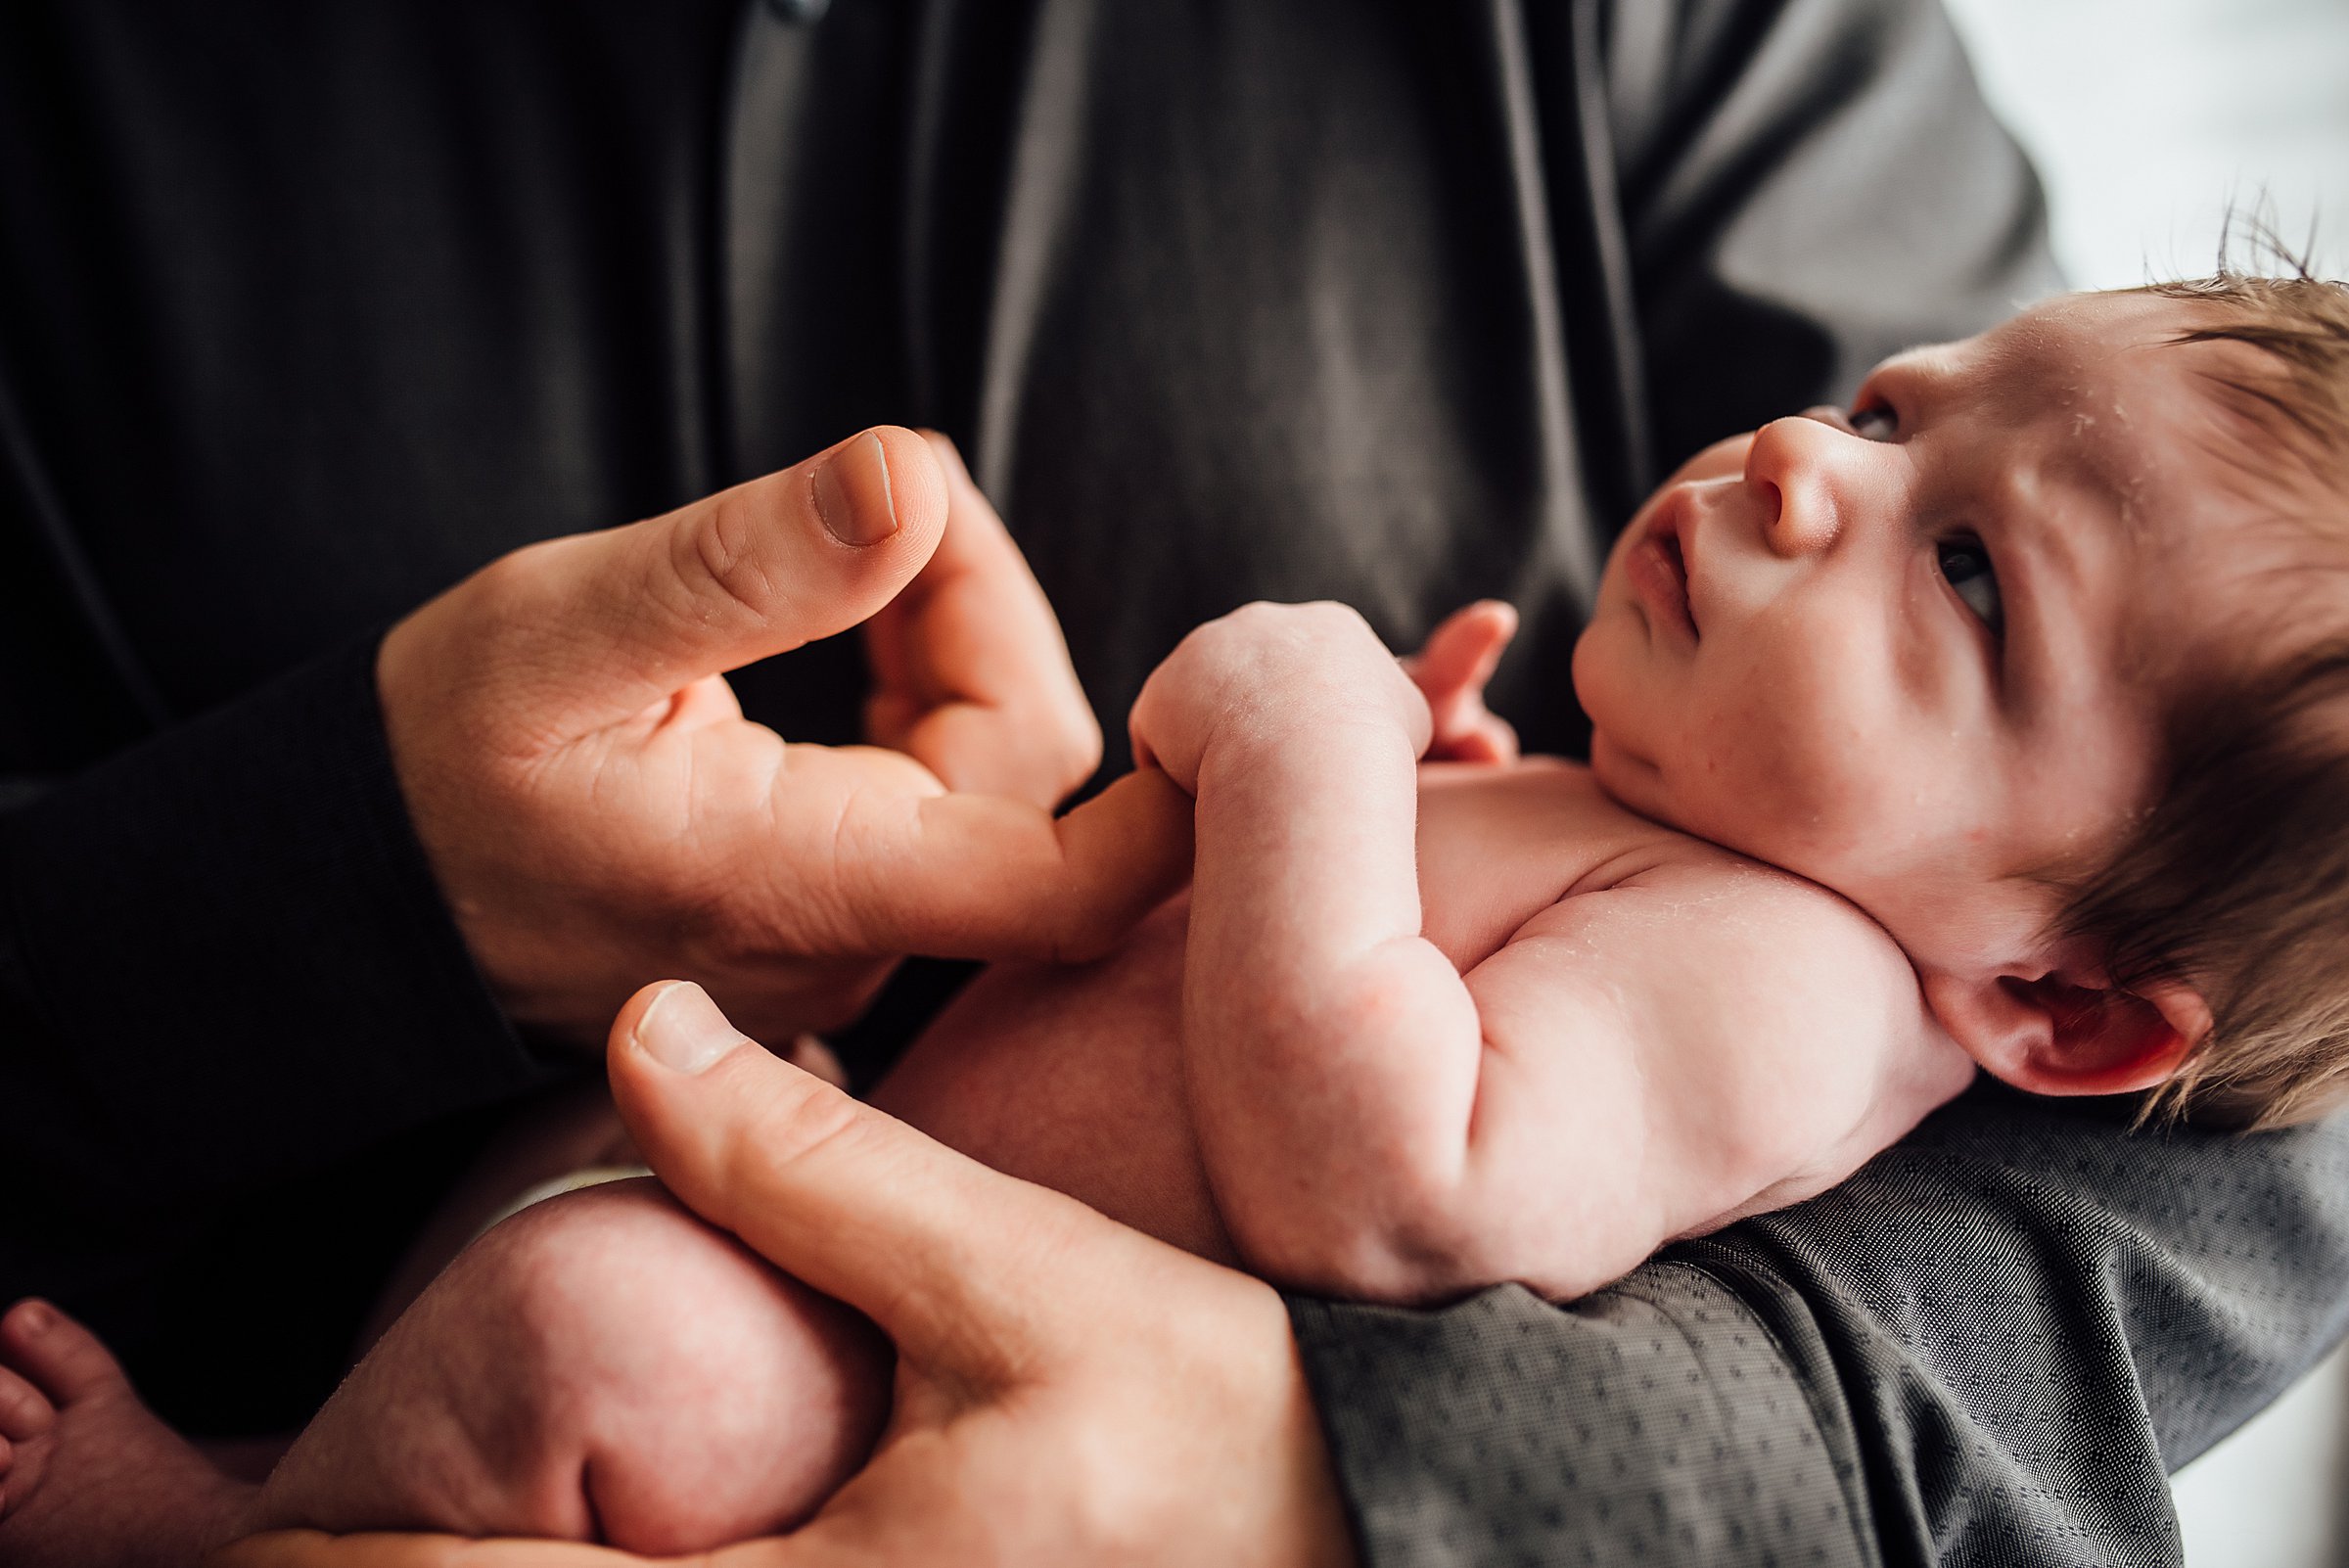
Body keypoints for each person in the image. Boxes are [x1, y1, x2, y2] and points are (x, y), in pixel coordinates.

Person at [5, 2, 2347, 1564]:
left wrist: (1322, 743)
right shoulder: (1721, 842)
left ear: (2065, 1019)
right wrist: (1445, 790)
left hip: (895, 1392)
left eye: (1964, 571)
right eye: (1886, 406)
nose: (1799, 471)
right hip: (819, 1184)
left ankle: (219, 1529)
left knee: (589, 1327)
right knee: (600, 1131)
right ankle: (272, 1457)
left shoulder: (1800, 983)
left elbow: (1400, 1192)